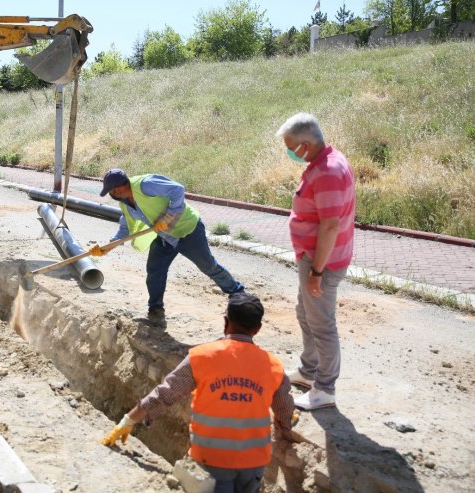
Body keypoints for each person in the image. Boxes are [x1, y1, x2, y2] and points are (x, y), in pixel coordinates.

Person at [102, 292, 295, 493]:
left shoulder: (202, 357)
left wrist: (128, 421)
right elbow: (284, 407)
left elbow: (165, 394)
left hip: (212, 458)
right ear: (258, 329)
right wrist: (286, 427)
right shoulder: (274, 366)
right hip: (254, 460)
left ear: (225, 322)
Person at [91, 169, 244, 327]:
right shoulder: (125, 203)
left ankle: (238, 294)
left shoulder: (145, 185)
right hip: (165, 237)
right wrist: (109, 246)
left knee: (208, 266)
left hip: (188, 231)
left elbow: (177, 189)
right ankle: (155, 309)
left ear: (124, 184)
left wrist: (169, 215)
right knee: (155, 270)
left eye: (115, 189)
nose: (114, 194)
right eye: (111, 191)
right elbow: (126, 227)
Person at [276, 113, 356, 411]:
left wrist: (317, 272)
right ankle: (308, 371)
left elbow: (330, 226)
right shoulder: (325, 162)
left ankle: (325, 389)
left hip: (323, 262)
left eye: (290, 147)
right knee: (305, 313)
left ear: (306, 144)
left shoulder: (327, 172)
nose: (289, 153)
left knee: (322, 325)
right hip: (312, 258)